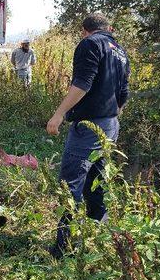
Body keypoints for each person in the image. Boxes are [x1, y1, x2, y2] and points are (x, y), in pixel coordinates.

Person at [45, 13, 130, 258]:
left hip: (89, 127)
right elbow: (124, 93)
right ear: (109, 28)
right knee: (97, 181)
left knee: (70, 185)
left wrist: (59, 114)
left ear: (85, 30)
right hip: (110, 125)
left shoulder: (90, 44)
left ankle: (63, 248)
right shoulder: (121, 51)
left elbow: (83, 83)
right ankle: (97, 239)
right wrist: (111, 118)